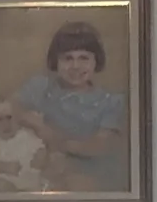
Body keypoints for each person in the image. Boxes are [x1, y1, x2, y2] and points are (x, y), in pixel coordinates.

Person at [14, 21, 126, 190]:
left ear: (96, 61)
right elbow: (13, 111)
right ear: (55, 61)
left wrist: (52, 137)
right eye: (67, 58)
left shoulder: (110, 102)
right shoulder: (40, 86)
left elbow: (98, 147)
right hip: (39, 165)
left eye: (84, 58)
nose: (75, 66)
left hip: (85, 172)